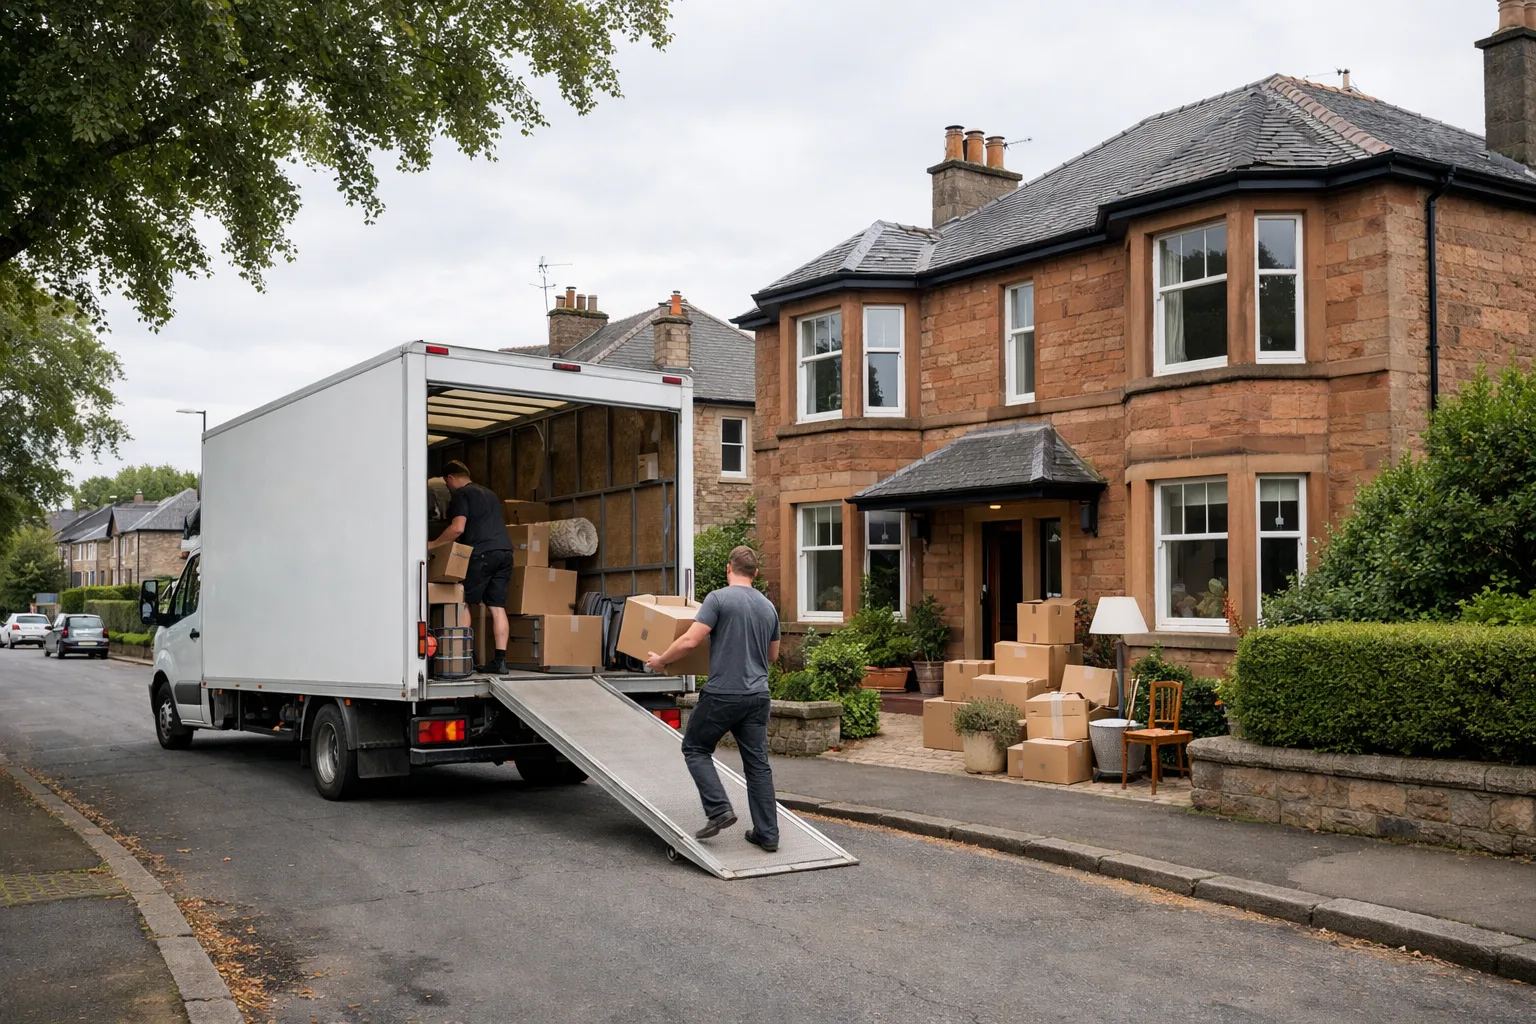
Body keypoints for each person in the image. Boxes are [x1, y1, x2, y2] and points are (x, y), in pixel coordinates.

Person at [646, 546, 781, 852]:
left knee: (695, 747)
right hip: (758, 695)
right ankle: (768, 834)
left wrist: (662, 661)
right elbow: (772, 655)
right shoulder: (768, 607)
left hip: (723, 694)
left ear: (728, 569)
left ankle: (719, 810)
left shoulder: (718, 598)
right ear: (756, 574)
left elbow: (691, 640)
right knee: (758, 766)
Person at [429, 460, 512, 675]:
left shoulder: (461, 495)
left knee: (465, 601)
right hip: (505, 552)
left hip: (482, 553)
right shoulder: (490, 494)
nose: (448, 489)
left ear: (450, 479)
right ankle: (500, 661)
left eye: (447, 485)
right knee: (497, 607)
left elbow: (457, 528)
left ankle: (465, 657)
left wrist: (432, 544)